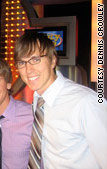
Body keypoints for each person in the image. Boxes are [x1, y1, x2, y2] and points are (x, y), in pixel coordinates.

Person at [14, 32, 107, 169]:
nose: (28, 70)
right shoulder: (38, 100)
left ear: (52, 61)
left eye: (35, 60)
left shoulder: (85, 102)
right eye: (22, 62)